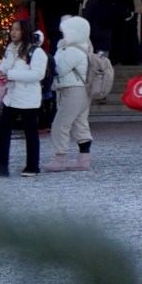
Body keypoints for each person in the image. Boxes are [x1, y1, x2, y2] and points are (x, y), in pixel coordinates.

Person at [0, 21, 49, 175]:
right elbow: (4, 65)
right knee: (3, 130)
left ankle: (32, 166)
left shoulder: (36, 52)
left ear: (25, 31)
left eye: (17, 29)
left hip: (28, 99)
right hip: (11, 97)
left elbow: (37, 74)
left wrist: (10, 75)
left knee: (30, 133)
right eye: (12, 29)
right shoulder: (11, 49)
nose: (13, 32)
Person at [44, 10, 95, 172]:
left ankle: (60, 159)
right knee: (80, 124)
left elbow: (59, 68)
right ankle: (84, 158)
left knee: (60, 124)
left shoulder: (71, 50)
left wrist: (56, 51)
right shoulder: (85, 47)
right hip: (83, 91)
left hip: (72, 90)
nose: (62, 34)